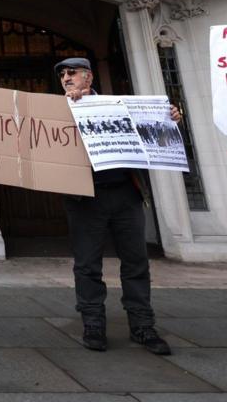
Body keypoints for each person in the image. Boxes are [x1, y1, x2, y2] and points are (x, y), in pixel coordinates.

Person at [56, 56, 178, 355]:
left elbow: (157, 134)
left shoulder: (119, 106)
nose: (66, 77)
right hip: (85, 198)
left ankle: (142, 325)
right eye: (62, 75)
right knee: (87, 264)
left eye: (72, 72)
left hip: (125, 193)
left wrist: (171, 117)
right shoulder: (58, 111)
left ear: (89, 77)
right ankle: (93, 323)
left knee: (136, 261)